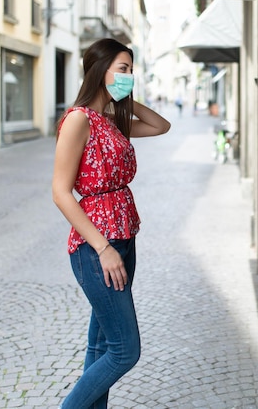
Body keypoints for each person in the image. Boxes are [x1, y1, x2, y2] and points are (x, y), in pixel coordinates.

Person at [52, 38, 171, 409]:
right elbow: (59, 192)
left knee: (101, 344)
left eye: (132, 70)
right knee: (124, 351)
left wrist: (122, 96)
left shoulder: (113, 120)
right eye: (122, 69)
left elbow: (161, 125)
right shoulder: (79, 120)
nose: (129, 76)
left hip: (124, 238)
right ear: (98, 70)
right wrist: (103, 249)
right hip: (97, 246)